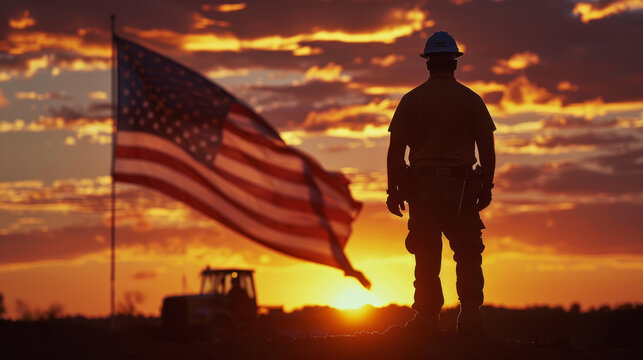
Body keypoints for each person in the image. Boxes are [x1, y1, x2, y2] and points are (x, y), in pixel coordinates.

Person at [386, 31, 496, 338]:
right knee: (468, 252)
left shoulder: (412, 100)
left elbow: (396, 151)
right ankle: (471, 316)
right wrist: (486, 186)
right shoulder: (471, 100)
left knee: (426, 253)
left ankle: (426, 319)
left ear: (428, 64)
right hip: (461, 189)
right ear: (455, 64)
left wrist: (393, 190)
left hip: (422, 188)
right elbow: (487, 149)